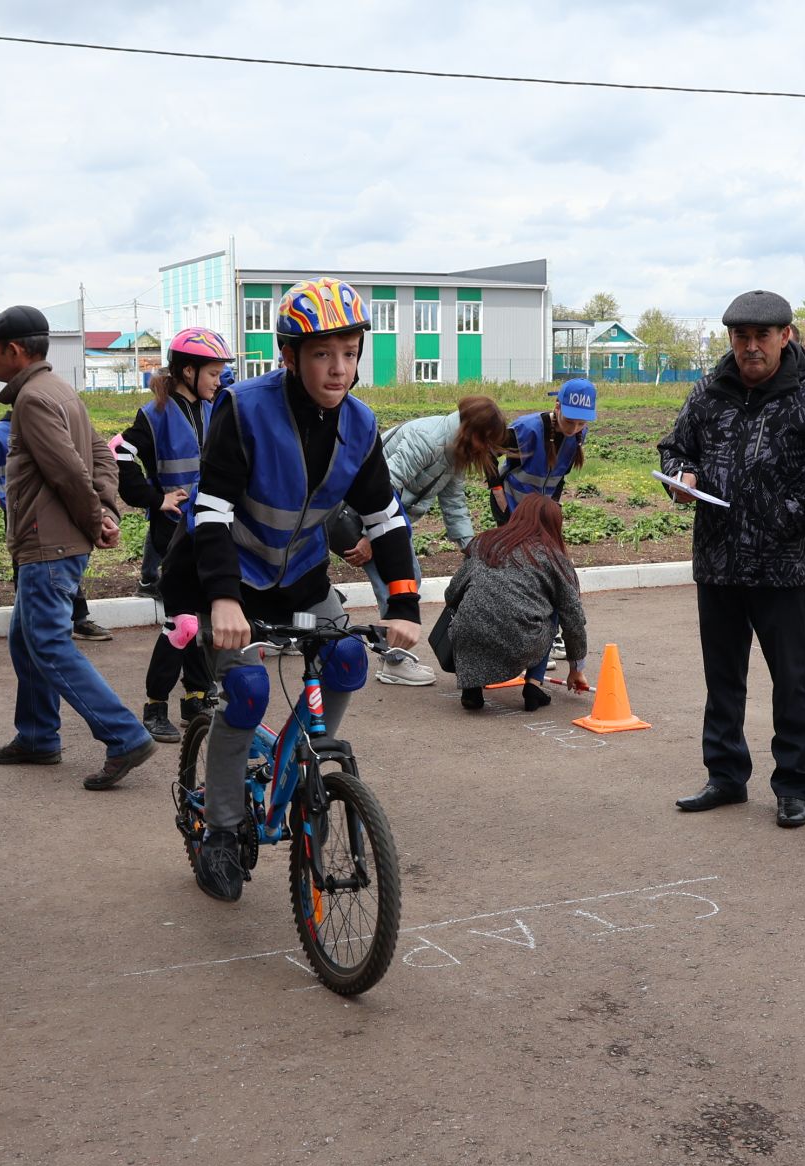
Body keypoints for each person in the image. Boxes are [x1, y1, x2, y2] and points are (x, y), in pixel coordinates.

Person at [170, 276, 421, 903]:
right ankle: (222, 831)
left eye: (348, 352)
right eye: (321, 354)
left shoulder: (360, 425)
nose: (338, 369)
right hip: (228, 577)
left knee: (345, 656)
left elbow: (384, 517)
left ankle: (304, 753)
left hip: (302, 576)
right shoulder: (244, 409)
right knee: (248, 690)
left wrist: (405, 605)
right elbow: (213, 510)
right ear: (289, 356)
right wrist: (223, 599)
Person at [660, 291, 805, 827]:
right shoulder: (709, 390)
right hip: (717, 560)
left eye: (761, 337)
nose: (750, 348)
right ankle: (724, 776)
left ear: (784, 336)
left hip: (784, 564)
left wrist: (787, 514)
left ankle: (792, 784)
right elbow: (675, 447)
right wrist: (682, 477)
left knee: (791, 679)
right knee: (723, 676)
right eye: (740, 338)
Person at [0, 306, 156, 789]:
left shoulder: (33, 399)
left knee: (49, 643)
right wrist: (109, 512)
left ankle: (124, 735)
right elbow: (100, 455)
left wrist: (98, 517)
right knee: (25, 638)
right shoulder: (60, 390)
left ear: (15, 350)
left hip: (47, 544)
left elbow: (69, 471)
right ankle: (37, 736)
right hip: (58, 542)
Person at [113, 328, 233, 740]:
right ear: (188, 370)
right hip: (174, 533)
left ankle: (196, 697)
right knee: (181, 623)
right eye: (213, 373)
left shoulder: (216, 407)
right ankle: (154, 707)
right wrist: (153, 497)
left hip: (212, 529)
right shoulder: (156, 413)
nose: (219, 381)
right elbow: (119, 452)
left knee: (200, 619)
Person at [342, 395, 511, 685]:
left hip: (389, 517)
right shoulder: (426, 439)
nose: (490, 450)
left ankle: (387, 654)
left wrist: (473, 551)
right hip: (364, 510)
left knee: (403, 579)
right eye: (489, 441)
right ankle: (393, 660)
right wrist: (371, 536)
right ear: (474, 432)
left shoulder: (455, 452)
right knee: (398, 582)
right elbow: (383, 486)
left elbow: (454, 504)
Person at [444, 495, 590, 711]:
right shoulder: (553, 556)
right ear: (554, 524)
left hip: (467, 636)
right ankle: (533, 685)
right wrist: (576, 668)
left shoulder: (484, 542)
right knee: (557, 607)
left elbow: (453, 592)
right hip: (522, 641)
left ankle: (471, 687)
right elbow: (574, 618)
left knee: (471, 607)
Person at [0, 412, 109, 642]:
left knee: (61, 559)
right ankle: (30, 620)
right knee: (23, 562)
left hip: (49, 508)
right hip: (17, 509)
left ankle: (78, 619)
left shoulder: (44, 424)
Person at [489, 378, 593, 522]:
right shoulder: (526, 429)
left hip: (540, 511)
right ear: (558, 407)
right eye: (569, 421)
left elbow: (559, 477)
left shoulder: (579, 435)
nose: (574, 429)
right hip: (510, 506)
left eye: (581, 423)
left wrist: (553, 506)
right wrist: (497, 491)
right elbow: (488, 453)